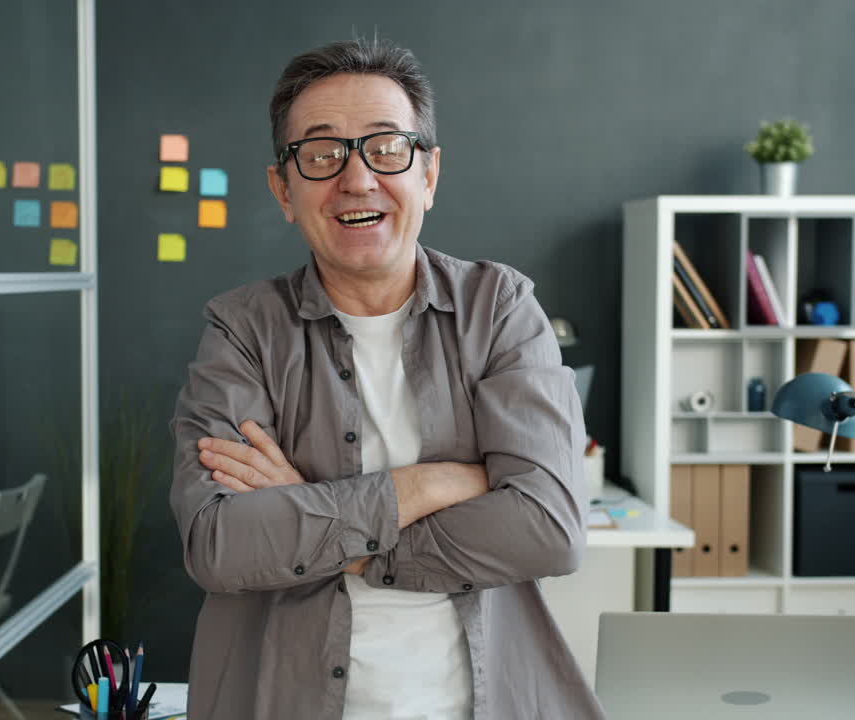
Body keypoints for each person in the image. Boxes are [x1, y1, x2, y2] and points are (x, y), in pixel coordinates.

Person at [170, 38, 604, 720]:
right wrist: (427, 485)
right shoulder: (242, 330)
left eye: (386, 148)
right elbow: (219, 545)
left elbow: (548, 529)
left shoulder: (499, 309)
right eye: (322, 154)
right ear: (283, 190)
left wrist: (317, 519)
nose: (357, 178)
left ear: (428, 174)